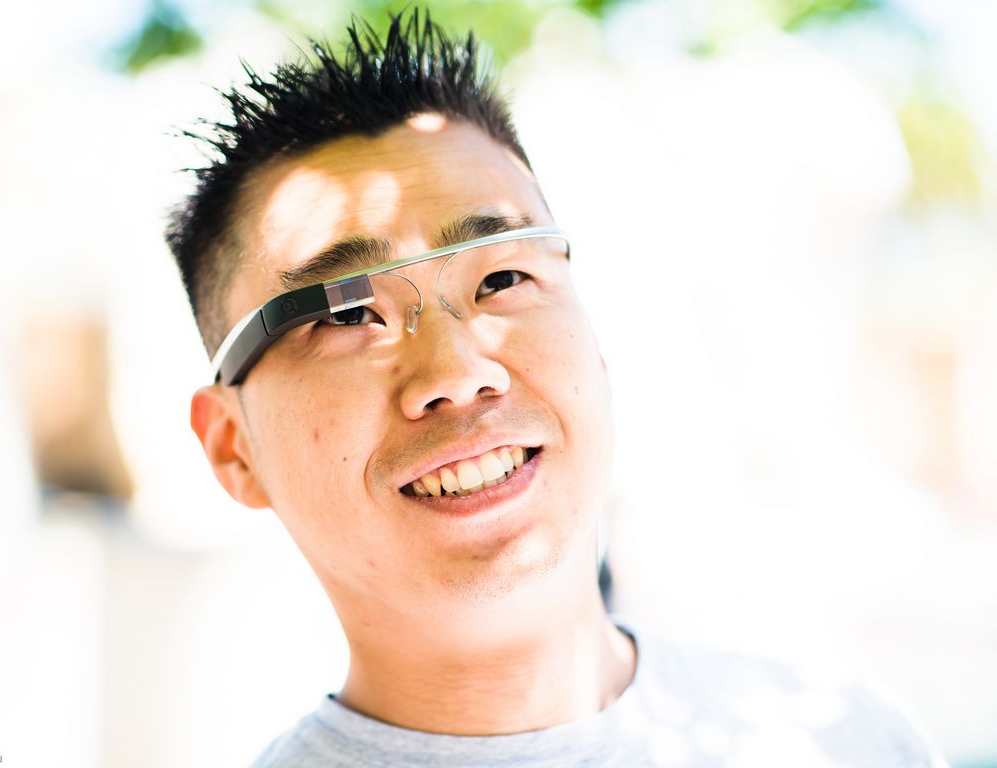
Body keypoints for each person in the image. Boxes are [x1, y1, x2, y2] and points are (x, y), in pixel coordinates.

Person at [167, 10, 948, 767]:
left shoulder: (850, 743)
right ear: (233, 448)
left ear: (595, 342)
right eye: (346, 316)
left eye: (503, 278)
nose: (457, 372)